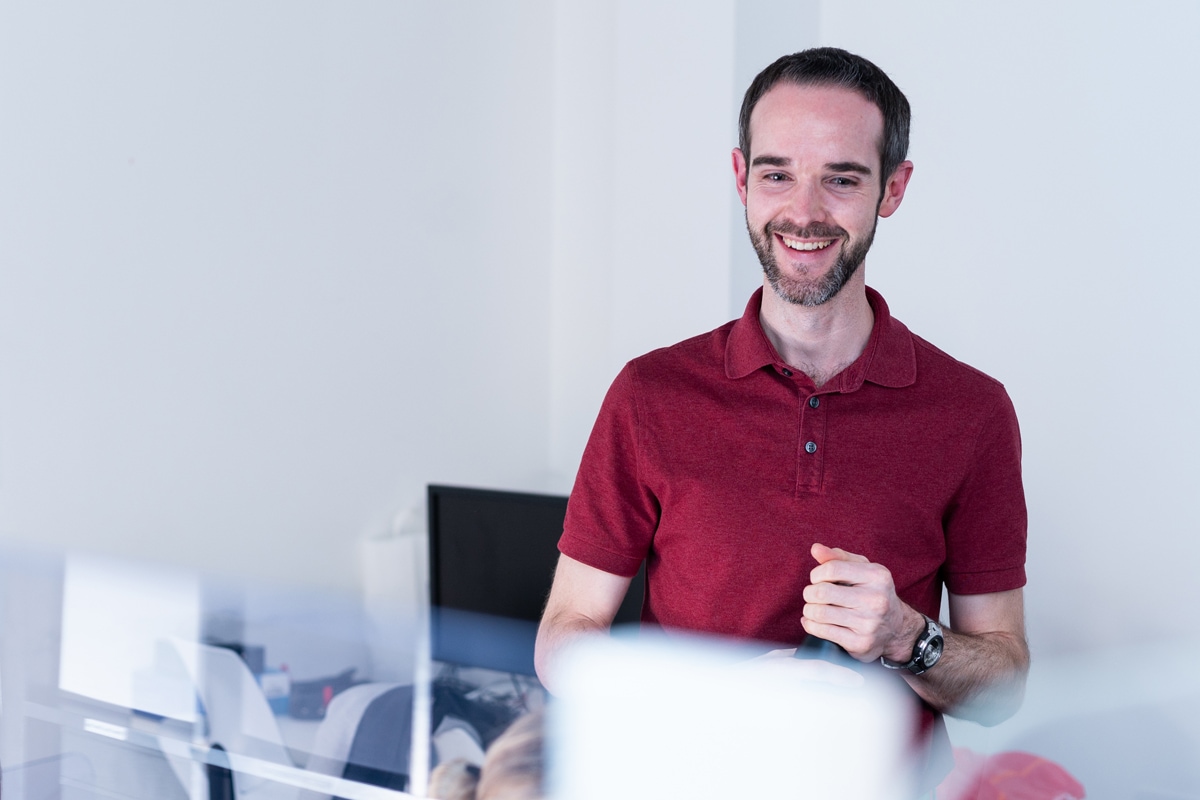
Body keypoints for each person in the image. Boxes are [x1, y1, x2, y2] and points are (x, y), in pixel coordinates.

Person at [534, 46, 1029, 785]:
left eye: (841, 179)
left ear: (892, 189)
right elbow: (563, 640)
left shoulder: (973, 411)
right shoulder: (650, 394)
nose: (803, 212)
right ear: (741, 178)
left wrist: (906, 636)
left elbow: (1003, 688)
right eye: (776, 174)